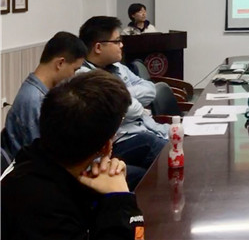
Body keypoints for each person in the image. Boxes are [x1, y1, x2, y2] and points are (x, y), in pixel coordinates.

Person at [1, 70, 145, 239]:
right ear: (106, 147)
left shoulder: (36, 160)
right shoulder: (44, 208)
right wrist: (121, 200)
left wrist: (107, 194)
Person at [78, 16, 168, 184]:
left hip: (146, 127)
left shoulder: (117, 67)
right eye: (117, 41)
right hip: (117, 142)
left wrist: (122, 94)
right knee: (165, 154)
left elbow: (150, 90)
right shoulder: (85, 77)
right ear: (98, 47)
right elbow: (134, 110)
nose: (121, 45)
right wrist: (129, 99)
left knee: (182, 143)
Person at [4, 32, 88, 160]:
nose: (73, 75)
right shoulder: (34, 101)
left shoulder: (41, 93)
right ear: (60, 63)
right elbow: (44, 157)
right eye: (75, 70)